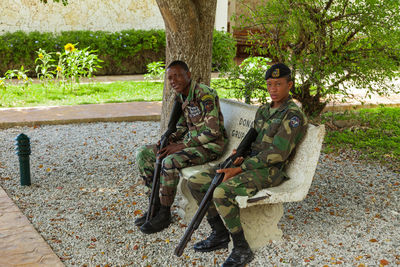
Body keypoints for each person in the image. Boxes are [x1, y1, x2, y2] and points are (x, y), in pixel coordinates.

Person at [187, 63, 308, 266]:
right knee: (196, 181)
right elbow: (252, 140)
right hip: (251, 164)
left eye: (278, 84)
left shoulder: (292, 116)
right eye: (269, 84)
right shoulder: (263, 110)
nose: (273, 89)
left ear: (290, 85)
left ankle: (242, 248)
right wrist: (239, 156)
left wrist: (240, 168)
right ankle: (219, 233)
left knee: (221, 192)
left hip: (270, 170)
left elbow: (277, 155)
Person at [135, 60, 227, 234]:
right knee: (143, 153)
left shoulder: (204, 94)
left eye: (177, 75)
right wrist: (169, 139)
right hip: (192, 144)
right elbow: (184, 126)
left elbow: (212, 132)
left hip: (211, 146)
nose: (173, 81)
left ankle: (164, 213)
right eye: (170, 78)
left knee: (170, 160)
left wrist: (181, 146)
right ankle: (153, 205)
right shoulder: (181, 96)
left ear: (188, 75)